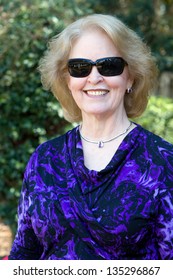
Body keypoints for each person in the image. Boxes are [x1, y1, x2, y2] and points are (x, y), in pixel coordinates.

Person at [9, 14, 173, 260]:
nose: (94, 78)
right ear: (67, 79)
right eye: (79, 68)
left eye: (109, 66)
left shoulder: (163, 162)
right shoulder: (44, 159)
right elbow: (25, 254)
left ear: (130, 76)